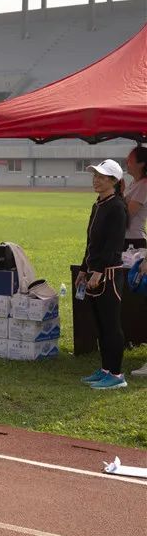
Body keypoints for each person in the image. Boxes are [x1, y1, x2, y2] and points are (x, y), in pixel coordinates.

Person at [78, 160, 129, 390]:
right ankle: (106, 369)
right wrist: (83, 269)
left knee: (111, 325)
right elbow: (91, 242)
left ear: (114, 181)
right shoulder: (98, 205)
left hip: (108, 275)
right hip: (95, 272)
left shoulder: (117, 207)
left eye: (102, 177)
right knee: (100, 324)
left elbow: (113, 245)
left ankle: (117, 375)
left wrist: (97, 272)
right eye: (95, 176)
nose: (96, 180)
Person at [124, 147, 147, 378]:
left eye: (130, 159)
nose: (126, 161)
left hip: (135, 244)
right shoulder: (133, 184)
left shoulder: (143, 185)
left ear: (141, 163)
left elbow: (126, 215)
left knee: (136, 288)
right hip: (124, 242)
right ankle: (129, 334)